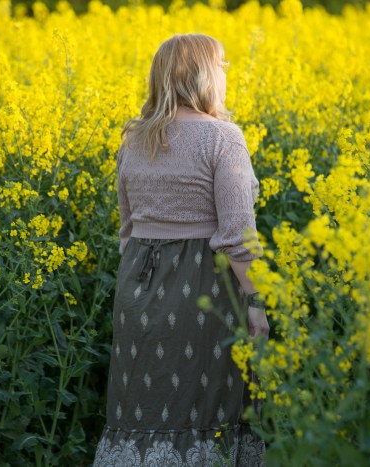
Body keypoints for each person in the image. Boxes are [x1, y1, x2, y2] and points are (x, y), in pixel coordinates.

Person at [93, 33, 269, 466]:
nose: (226, 74)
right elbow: (237, 234)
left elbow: (129, 228)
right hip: (202, 292)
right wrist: (258, 303)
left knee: (140, 413)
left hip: (138, 288)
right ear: (204, 76)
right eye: (222, 65)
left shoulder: (134, 140)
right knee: (204, 410)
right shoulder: (222, 139)